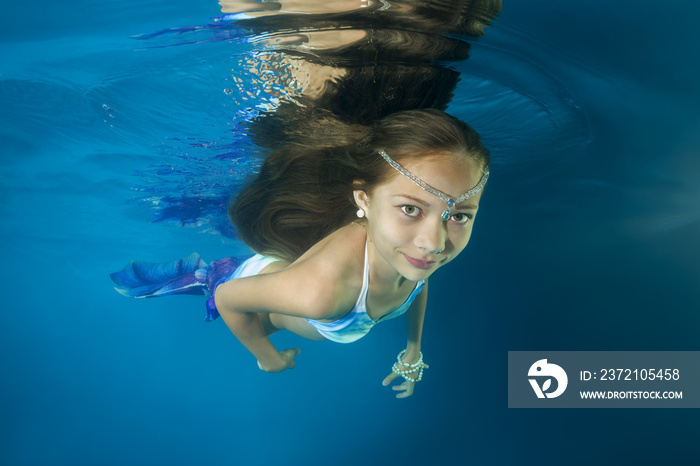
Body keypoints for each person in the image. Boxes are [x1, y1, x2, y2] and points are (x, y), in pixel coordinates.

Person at [111, 109, 490, 398]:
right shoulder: (319, 294)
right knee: (217, 289)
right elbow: (230, 299)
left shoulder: (413, 254)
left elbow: (416, 285)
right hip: (256, 293)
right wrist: (268, 358)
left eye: (458, 215)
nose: (435, 242)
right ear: (364, 200)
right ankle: (203, 276)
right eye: (411, 209)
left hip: (295, 284)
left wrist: (413, 349)